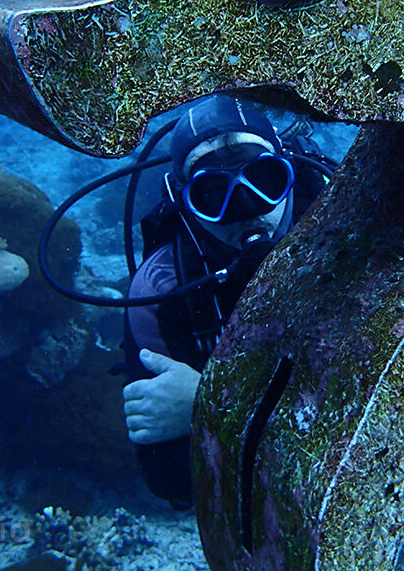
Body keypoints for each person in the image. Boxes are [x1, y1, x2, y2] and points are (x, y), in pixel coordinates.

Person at [119, 96, 333, 509]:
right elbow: (172, 480)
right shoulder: (161, 289)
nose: (249, 209)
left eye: (265, 179)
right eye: (214, 194)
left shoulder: (348, 226)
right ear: (185, 203)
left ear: (289, 170)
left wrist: (207, 404)